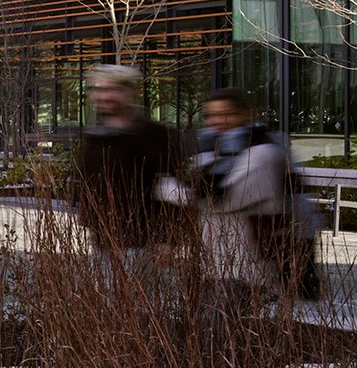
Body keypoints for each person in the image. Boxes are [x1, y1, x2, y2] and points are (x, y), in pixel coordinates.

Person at [195, 88, 311, 299]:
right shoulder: (210, 147)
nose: (218, 121)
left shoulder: (264, 151)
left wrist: (166, 188)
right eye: (211, 115)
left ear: (247, 114)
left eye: (227, 113)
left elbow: (221, 199)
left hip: (249, 254)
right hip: (217, 253)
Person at [72, 64, 180, 250]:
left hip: (143, 242)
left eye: (112, 89)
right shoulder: (94, 137)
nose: (104, 96)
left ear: (130, 92)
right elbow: (86, 185)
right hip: (104, 241)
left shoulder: (155, 135)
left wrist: (165, 239)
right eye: (99, 89)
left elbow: (171, 190)